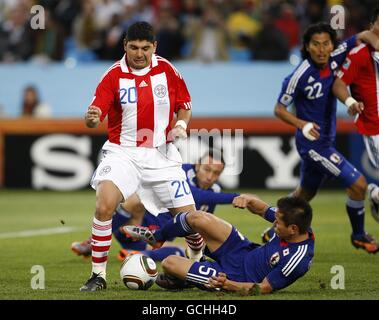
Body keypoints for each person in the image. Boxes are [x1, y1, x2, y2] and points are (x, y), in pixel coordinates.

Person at [80, 21, 197, 292]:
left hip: (161, 154)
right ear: (125, 46)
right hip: (123, 153)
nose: (139, 54)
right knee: (104, 205)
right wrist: (92, 118)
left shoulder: (168, 70)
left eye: (145, 48)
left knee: (192, 221)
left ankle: (195, 265)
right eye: (133, 47)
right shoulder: (112, 76)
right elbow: (93, 116)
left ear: (154, 47)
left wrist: (181, 125)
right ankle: (98, 275)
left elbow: (184, 106)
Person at [271, 22, 379, 253]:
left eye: (326, 44)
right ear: (307, 47)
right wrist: (302, 124)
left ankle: (272, 230)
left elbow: (365, 34)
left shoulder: (336, 56)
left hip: (325, 141)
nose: (321, 50)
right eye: (316, 45)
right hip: (313, 145)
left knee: (303, 196)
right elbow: (279, 109)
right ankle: (359, 235)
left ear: (332, 45)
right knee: (358, 184)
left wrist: (375, 42)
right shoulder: (298, 75)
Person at [123, 195, 314, 294]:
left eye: (278, 223)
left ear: (293, 229)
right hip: (242, 248)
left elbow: (263, 288)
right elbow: (262, 209)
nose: (274, 223)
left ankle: (189, 278)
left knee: (169, 263)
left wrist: (228, 284)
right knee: (197, 218)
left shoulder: (297, 260)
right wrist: (248, 200)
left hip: (234, 275)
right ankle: (157, 237)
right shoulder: (292, 221)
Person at [72, 149, 240, 262]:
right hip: (130, 226)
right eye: (207, 169)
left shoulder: (215, 192)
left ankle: (139, 254)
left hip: (157, 238)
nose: (210, 176)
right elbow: (196, 195)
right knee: (135, 200)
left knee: (190, 248)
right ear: (197, 166)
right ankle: (93, 242)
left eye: (216, 173)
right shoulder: (181, 171)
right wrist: (235, 198)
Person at [332, 7, 379, 224]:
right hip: (374, 126)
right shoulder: (359, 55)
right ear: (372, 25)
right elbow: (339, 84)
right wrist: (350, 101)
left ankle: (376, 195)